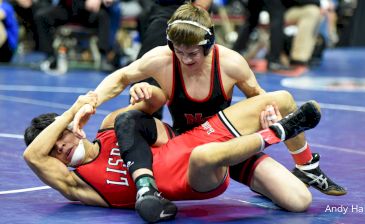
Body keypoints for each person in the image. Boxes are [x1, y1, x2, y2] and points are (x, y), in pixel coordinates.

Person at [73, 2, 346, 218]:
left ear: (209, 44)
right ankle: (301, 159)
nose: (186, 59)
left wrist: (269, 116)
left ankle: (306, 166)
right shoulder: (163, 59)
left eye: (193, 53)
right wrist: (93, 98)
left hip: (229, 144)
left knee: (299, 201)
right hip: (191, 150)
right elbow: (121, 77)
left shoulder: (230, 63)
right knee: (282, 101)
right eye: (179, 51)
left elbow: (259, 98)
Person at [24, 90, 321, 222]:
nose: (59, 148)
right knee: (205, 156)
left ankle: (303, 165)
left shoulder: (110, 126)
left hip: (194, 140)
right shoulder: (79, 184)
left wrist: (145, 91)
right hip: (198, 172)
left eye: (58, 138)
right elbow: (32, 156)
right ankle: (273, 135)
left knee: (299, 201)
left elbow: (156, 109)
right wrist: (72, 111)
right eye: (53, 150)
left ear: (74, 130)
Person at [34, 0, 117, 74]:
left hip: (88, 12)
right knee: (41, 16)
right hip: (68, 9)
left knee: (103, 16)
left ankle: (105, 57)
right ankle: (50, 57)